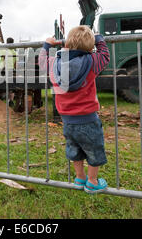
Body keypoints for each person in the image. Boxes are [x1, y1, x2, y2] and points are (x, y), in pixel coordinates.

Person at [40, 26, 110, 194]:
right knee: (94, 150)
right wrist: (99, 38)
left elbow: (42, 61)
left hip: (67, 119)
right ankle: (92, 181)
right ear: (89, 46)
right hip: (88, 118)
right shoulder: (91, 62)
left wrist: (46, 45)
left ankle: (80, 178)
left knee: (74, 149)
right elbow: (105, 56)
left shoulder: (54, 64)